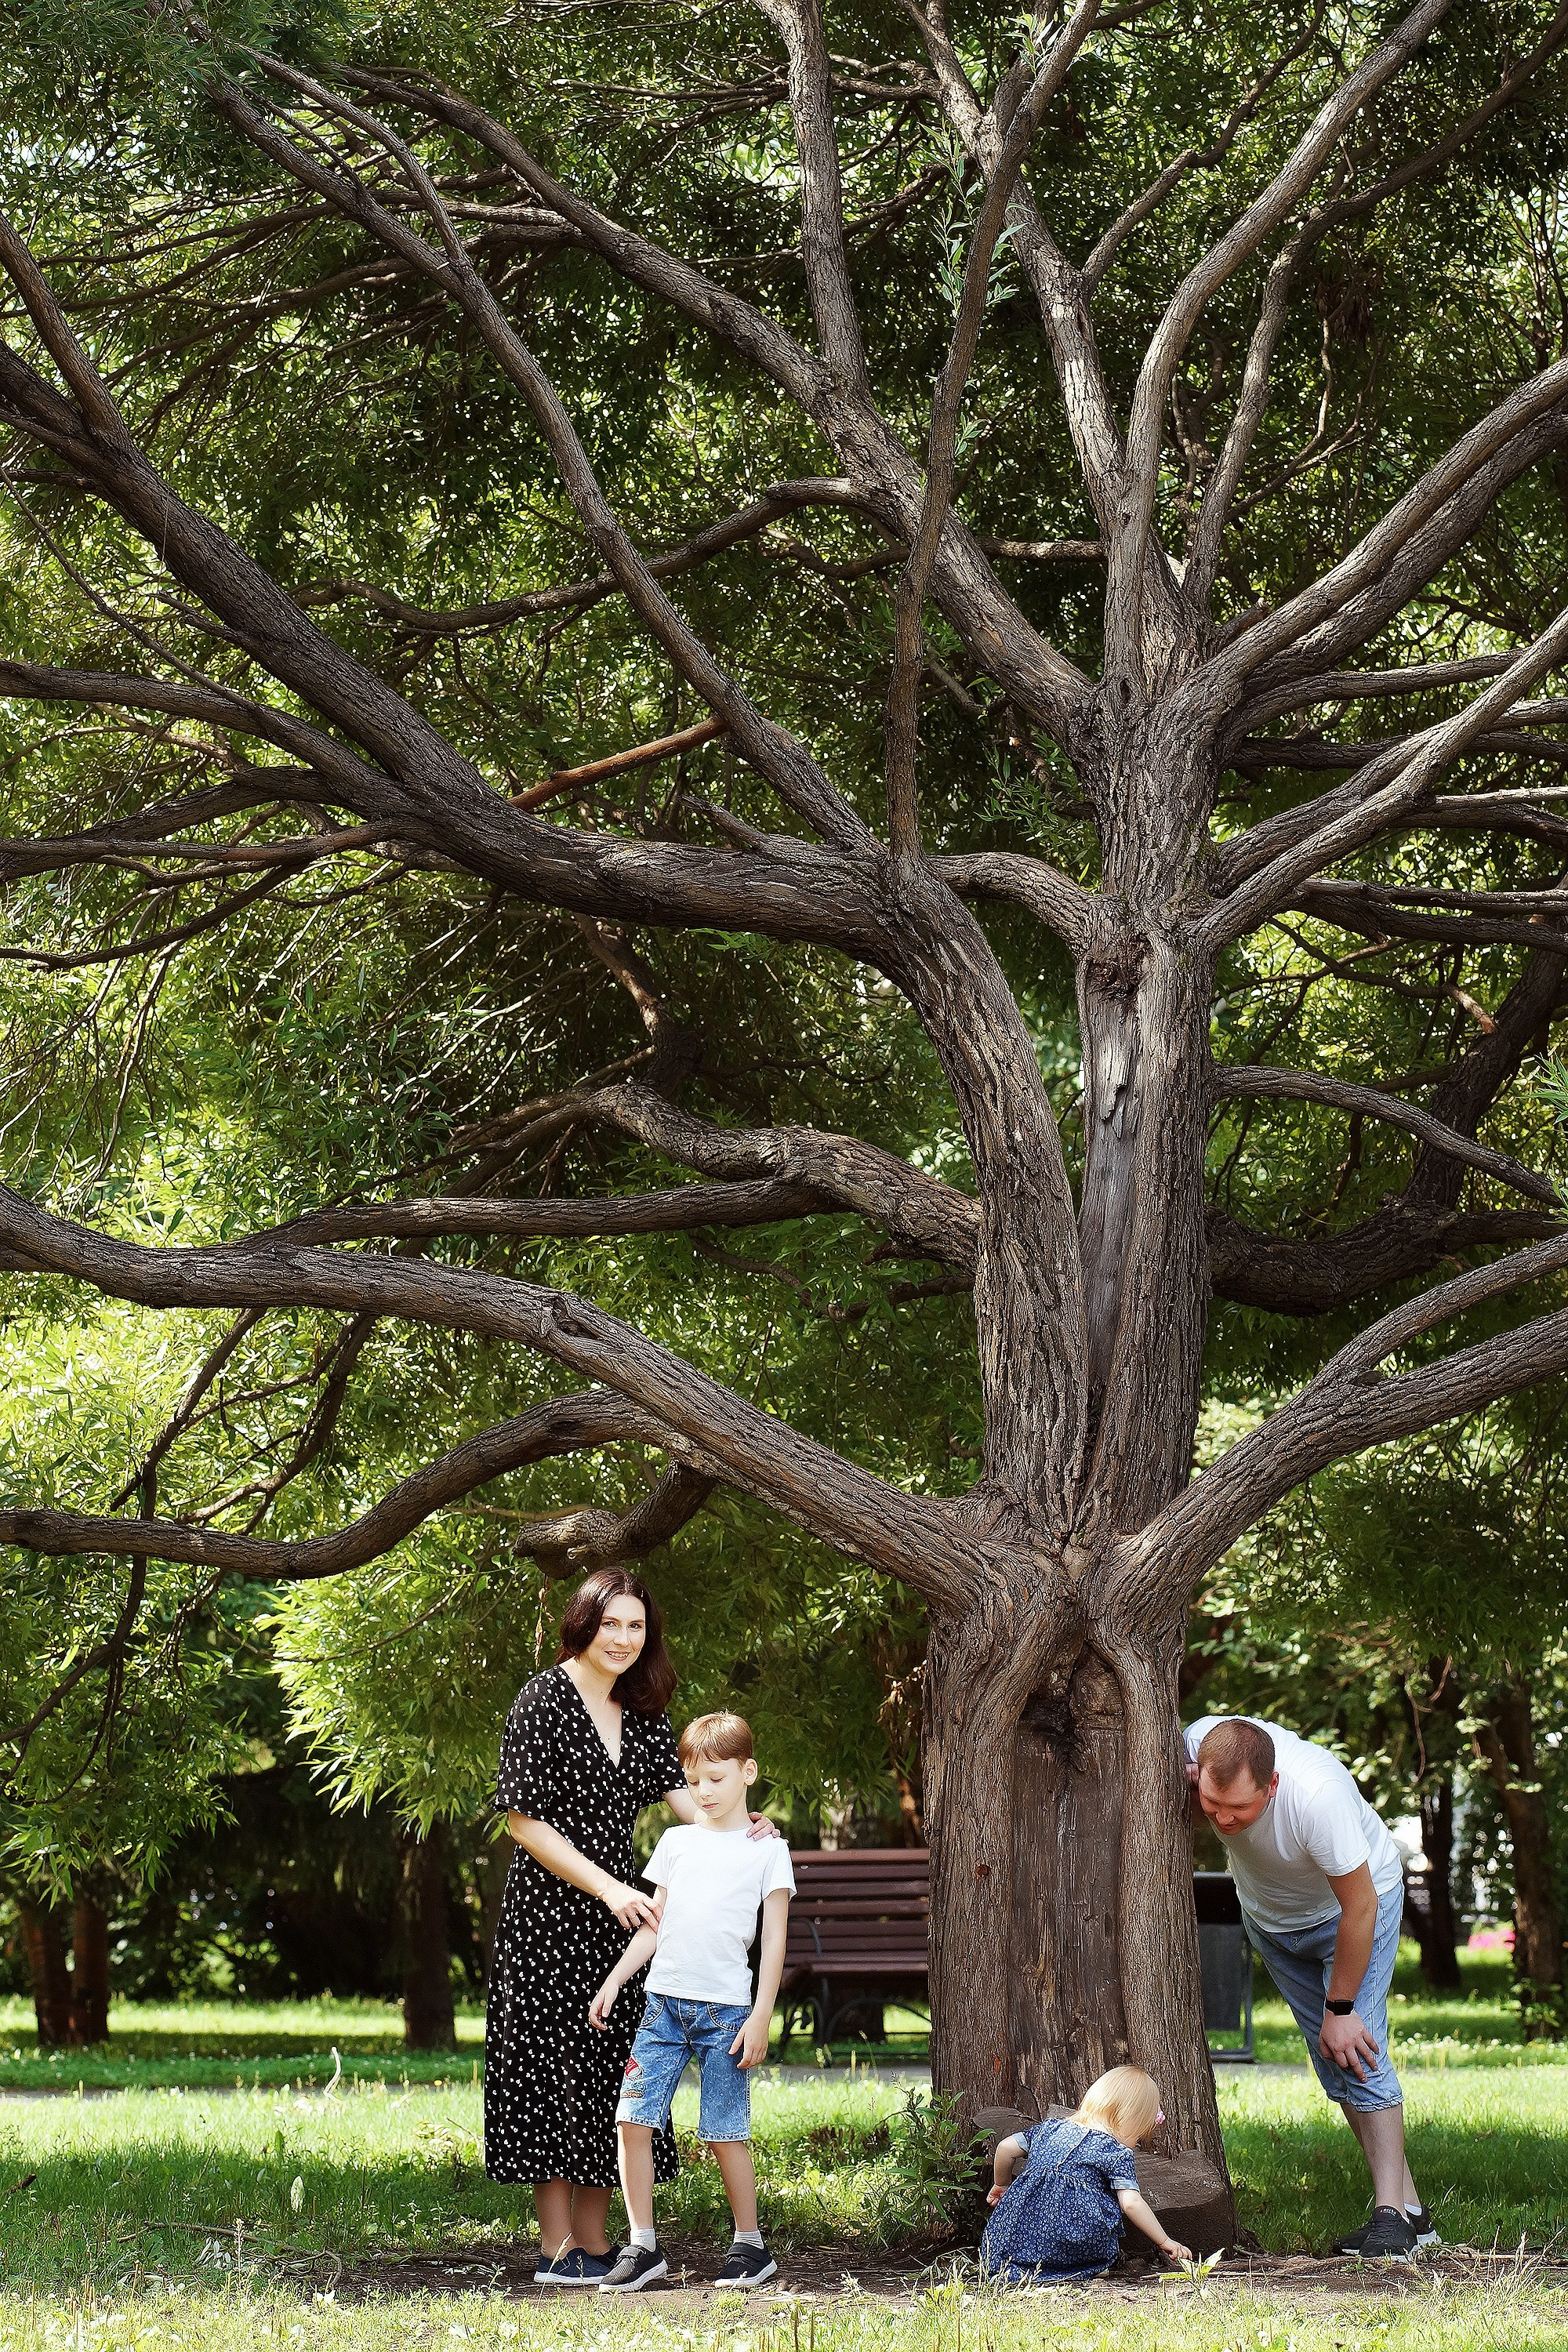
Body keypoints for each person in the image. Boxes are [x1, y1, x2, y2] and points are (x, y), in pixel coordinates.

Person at [485, 1569, 776, 2286]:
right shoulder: (543, 1698)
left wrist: (745, 1829)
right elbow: (524, 1820)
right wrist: (609, 1886)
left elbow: (691, 1799)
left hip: (626, 1918)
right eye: (610, 1623)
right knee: (549, 2069)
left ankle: (598, 2242)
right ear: (583, 1622)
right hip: (552, 1912)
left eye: (636, 1626)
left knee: (605, 2071)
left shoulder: (641, 1708)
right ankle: (558, 2250)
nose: (622, 1638)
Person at [1186, 1713, 1436, 2260]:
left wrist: (1341, 2006)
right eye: (1212, 1805)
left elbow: (1362, 1904)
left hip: (1352, 1913)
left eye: (1241, 1808)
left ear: (1271, 1786)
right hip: (1272, 1922)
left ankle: (1391, 2221)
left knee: (1357, 2049)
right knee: (1332, 2060)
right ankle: (1413, 2214)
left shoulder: (1317, 1796)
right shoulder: (1201, 1740)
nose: (1225, 1820)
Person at [588, 1710, 795, 2292]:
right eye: (694, 1778)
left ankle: (750, 2247)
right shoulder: (675, 1843)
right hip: (661, 2009)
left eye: (717, 1778)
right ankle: (642, 2246)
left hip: (726, 2013)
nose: (704, 1790)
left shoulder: (766, 1851)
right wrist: (614, 1980)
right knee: (632, 2118)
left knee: (725, 2130)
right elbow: (655, 1925)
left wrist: (761, 2015)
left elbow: (775, 1939)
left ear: (747, 1773)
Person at [980, 2066, 1191, 2285]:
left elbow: (1005, 2148)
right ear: (1130, 2121)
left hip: (1011, 2245)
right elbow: (1131, 2203)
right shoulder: (1115, 2152)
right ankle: (1079, 2267)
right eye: (1139, 2134)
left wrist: (1001, 2185)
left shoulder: (1050, 2129)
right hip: (1071, 2245)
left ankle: (1011, 2266)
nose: (1136, 2142)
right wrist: (1164, 2240)